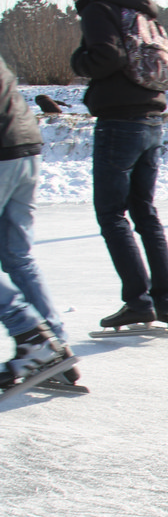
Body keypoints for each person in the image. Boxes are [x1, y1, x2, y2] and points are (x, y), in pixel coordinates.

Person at [70, 0, 168, 330]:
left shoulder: (98, 8)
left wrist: (78, 60)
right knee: (145, 213)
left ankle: (138, 301)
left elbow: (106, 57)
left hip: (119, 121)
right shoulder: (141, 10)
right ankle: (165, 302)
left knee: (111, 213)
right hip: (152, 118)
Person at [0, 55, 78, 390]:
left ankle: (32, 335)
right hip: (24, 144)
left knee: (17, 255)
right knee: (17, 255)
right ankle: (54, 346)